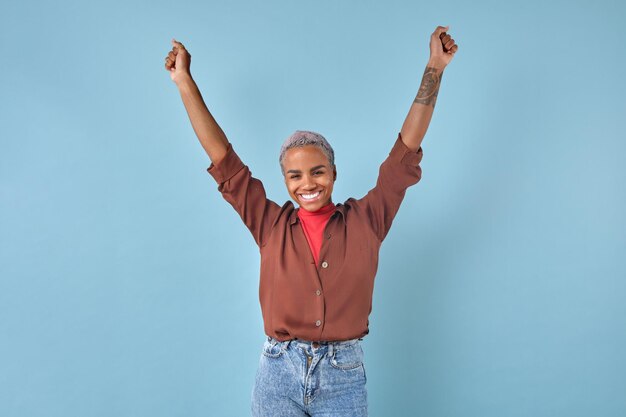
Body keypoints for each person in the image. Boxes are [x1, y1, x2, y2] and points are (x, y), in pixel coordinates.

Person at [164, 26, 458, 417]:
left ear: (333, 174)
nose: (308, 184)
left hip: (344, 373)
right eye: (295, 176)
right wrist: (184, 81)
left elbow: (403, 155)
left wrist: (434, 68)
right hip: (277, 373)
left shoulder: (368, 219)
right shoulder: (268, 223)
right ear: (285, 181)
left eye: (318, 172)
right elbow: (225, 162)